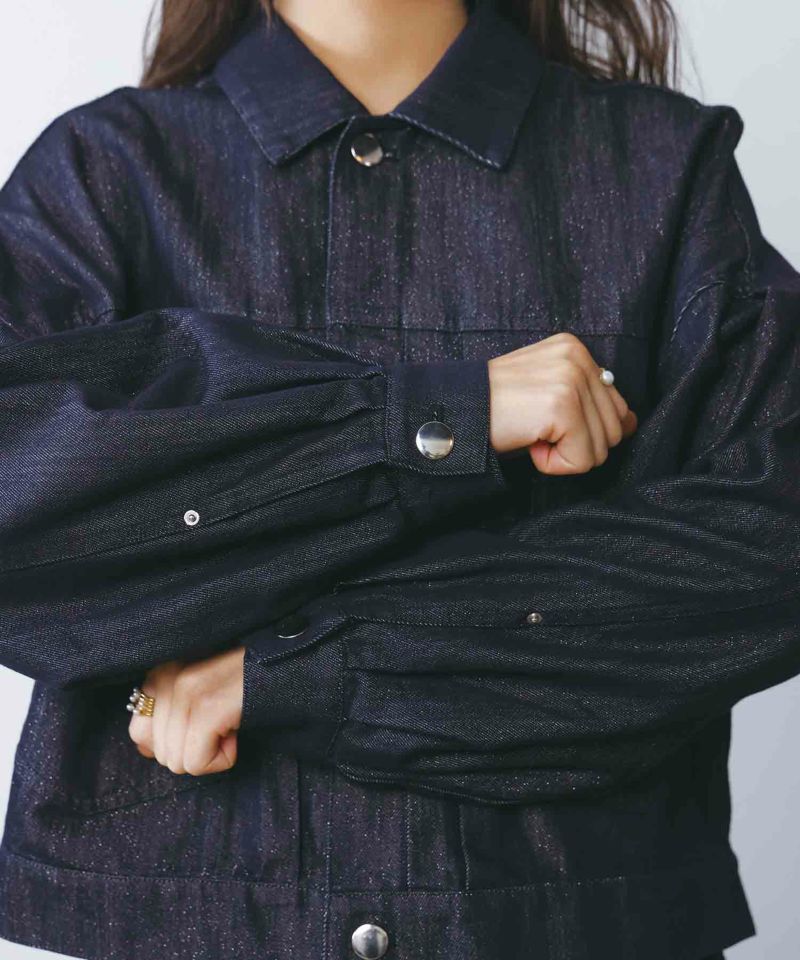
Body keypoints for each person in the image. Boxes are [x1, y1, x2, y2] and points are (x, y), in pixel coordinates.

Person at [0, 0, 797, 958]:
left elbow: (769, 549)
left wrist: (304, 672)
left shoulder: (663, 170)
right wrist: (442, 419)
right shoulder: (105, 173)